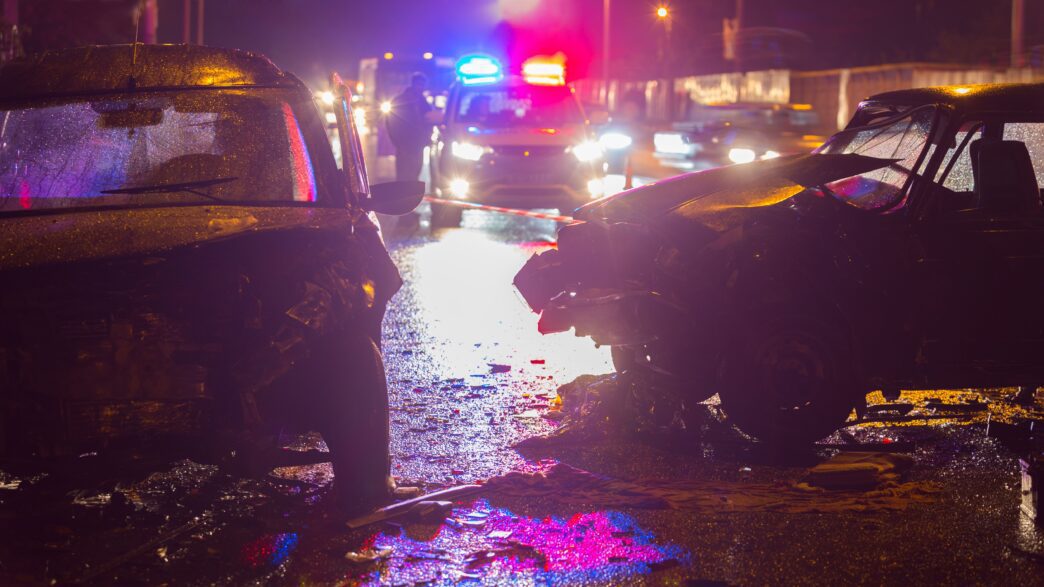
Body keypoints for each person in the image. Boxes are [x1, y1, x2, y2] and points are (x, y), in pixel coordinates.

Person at [387, 73, 433, 182]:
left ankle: (411, 196)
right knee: (404, 175)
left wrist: (426, 138)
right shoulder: (401, 100)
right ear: (413, 84)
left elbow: (429, 120)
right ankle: (402, 197)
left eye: (423, 85)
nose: (421, 87)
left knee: (415, 172)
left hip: (418, 144)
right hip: (404, 144)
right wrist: (398, 142)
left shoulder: (423, 102)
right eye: (419, 84)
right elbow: (391, 122)